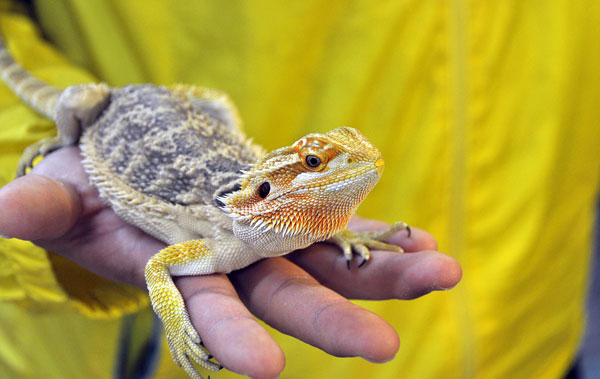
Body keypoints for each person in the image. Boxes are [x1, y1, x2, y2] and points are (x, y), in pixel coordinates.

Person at [0, 1, 598, 378]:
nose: (335, 167)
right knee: (81, 102)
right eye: (315, 161)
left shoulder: (292, 212)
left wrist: (334, 228)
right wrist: (178, 325)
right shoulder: (219, 241)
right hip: (108, 346)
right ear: (267, 190)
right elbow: (163, 266)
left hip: (535, 330)